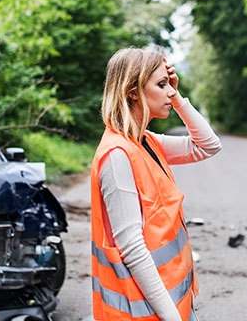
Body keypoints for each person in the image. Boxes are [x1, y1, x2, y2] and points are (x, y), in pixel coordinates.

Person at [90, 47, 222, 321]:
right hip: (149, 313)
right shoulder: (117, 156)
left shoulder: (145, 141)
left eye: (169, 85)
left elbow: (208, 145)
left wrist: (179, 98)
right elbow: (133, 248)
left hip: (172, 303)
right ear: (132, 91)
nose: (169, 93)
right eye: (161, 85)